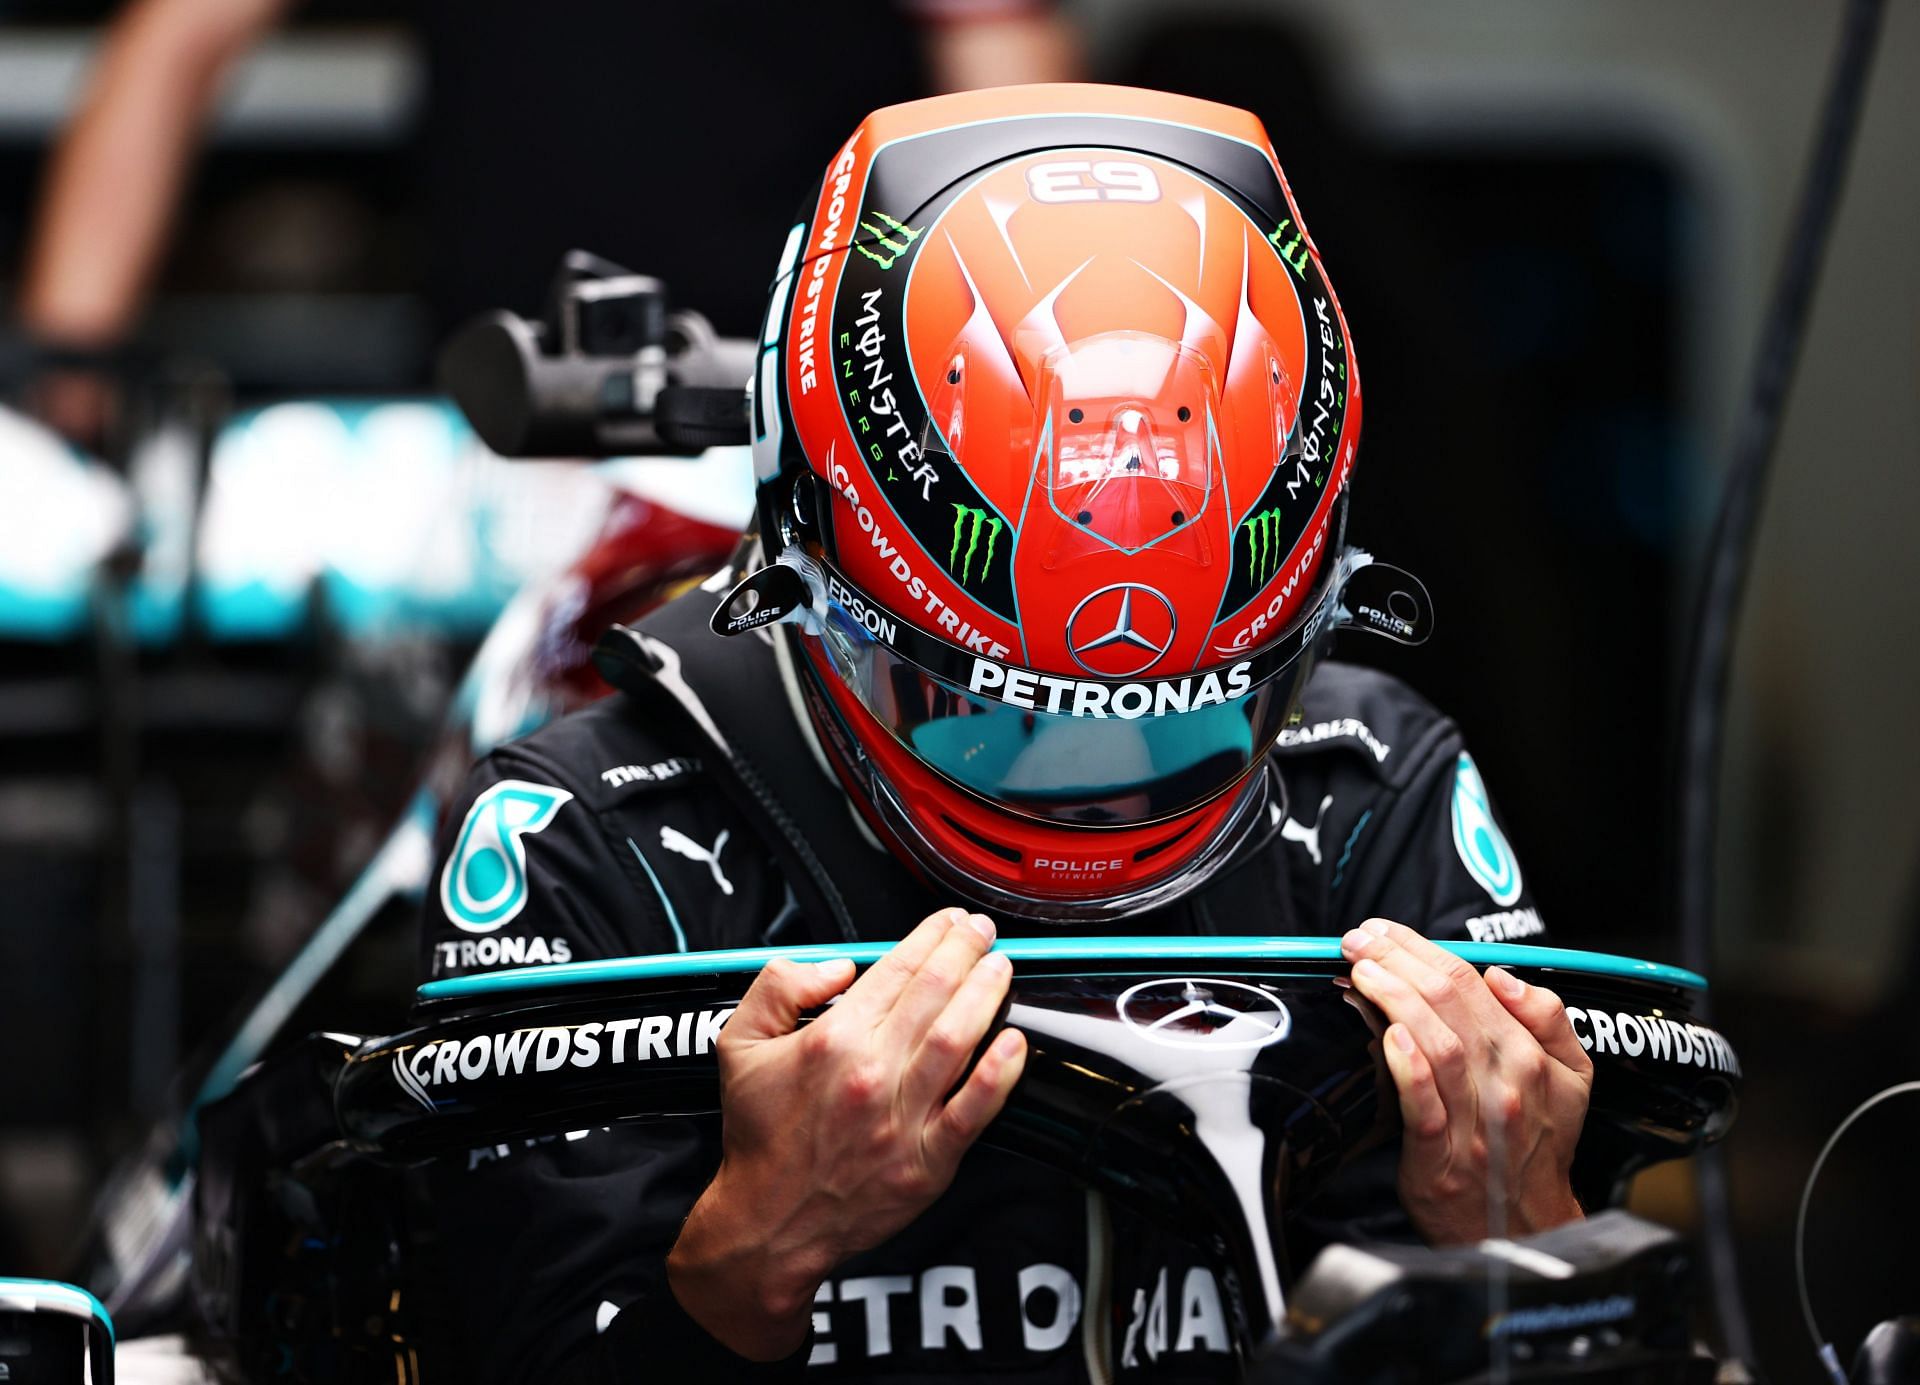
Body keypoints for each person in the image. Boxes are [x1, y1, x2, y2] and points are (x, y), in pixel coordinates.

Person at [415, 83, 1593, 1382]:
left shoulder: (1377, 796)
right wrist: (752, 1247)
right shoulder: (589, 843)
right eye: (995, 716)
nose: (1090, 791)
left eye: (1193, 712)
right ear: (812, 583)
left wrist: (1524, 1235)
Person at [14, 0, 1080, 441]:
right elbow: (175, 40)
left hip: (790, 431)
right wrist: (69, 362)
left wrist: (1052, 398)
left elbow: (1015, 107)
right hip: (496, 422)